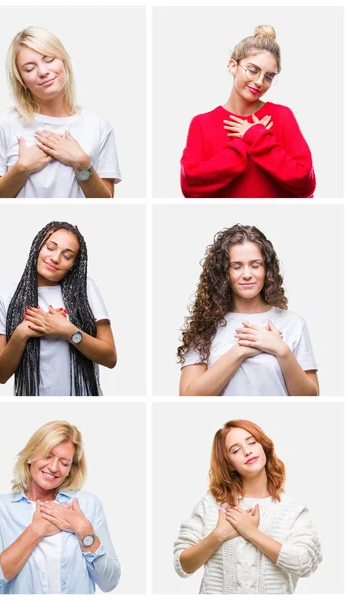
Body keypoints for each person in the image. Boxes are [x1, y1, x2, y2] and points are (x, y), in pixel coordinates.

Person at [174, 419, 322, 594]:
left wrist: (251, 532)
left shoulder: (292, 509)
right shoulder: (211, 504)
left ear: (263, 446)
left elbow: (305, 564)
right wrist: (218, 535)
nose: (247, 451)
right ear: (228, 463)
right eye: (236, 450)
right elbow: (182, 566)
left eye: (252, 442)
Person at [0, 420, 120, 594]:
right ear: (31, 455)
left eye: (64, 462)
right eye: (48, 455)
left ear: (70, 469)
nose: (54, 468)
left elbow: (110, 582)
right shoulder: (0, 508)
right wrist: (36, 530)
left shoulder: (87, 505)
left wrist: (83, 528)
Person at [0, 26, 121, 198]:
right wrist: (22, 168)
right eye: (29, 68)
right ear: (22, 80)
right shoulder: (3, 123)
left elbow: (106, 202)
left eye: (49, 59)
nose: (43, 72)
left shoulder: (98, 125)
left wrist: (82, 163)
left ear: (63, 61)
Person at [178, 225, 318, 396]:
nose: (247, 274)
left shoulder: (293, 323)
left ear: (267, 269)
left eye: (255, 265)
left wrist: (281, 351)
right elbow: (189, 397)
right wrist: (241, 351)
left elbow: (310, 397)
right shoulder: (205, 326)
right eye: (236, 266)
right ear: (224, 272)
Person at [180, 25, 315, 198]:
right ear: (233, 66)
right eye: (252, 70)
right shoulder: (202, 123)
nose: (259, 82)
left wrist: (257, 135)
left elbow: (305, 183)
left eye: (268, 76)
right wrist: (243, 142)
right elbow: (190, 185)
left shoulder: (281, 116)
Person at [0, 221, 116, 396]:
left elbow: (110, 358)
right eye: (50, 247)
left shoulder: (85, 289)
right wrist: (21, 333)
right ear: (37, 247)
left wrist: (68, 331)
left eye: (67, 256)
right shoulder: (5, 297)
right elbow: (0, 375)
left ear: (73, 265)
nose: (55, 258)